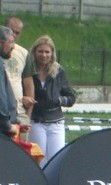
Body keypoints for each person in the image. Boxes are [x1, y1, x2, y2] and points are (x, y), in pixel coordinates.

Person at [24, 36, 76, 168]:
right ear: (34, 52)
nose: (44, 55)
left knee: (56, 160)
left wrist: (58, 101)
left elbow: (71, 97)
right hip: (36, 121)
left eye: (47, 52)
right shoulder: (27, 71)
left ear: (52, 53)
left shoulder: (58, 71)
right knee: (39, 160)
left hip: (56, 122)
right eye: (40, 51)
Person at [3, 17, 31, 125]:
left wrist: (27, 116)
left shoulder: (23, 53)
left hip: (18, 112)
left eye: (17, 32)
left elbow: (29, 84)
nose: (13, 35)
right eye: (11, 31)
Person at [0, 26, 20, 138]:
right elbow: (1, 98)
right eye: (10, 42)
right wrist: (7, 125)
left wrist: (16, 121)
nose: (13, 46)